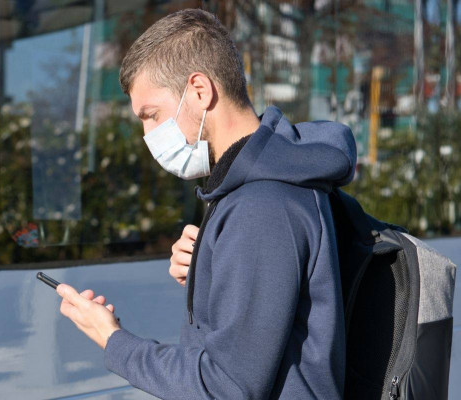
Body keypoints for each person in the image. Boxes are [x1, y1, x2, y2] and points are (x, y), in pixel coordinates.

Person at [55, 8, 354, 399]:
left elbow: (226, 385)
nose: (148, 135)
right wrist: (211, 268)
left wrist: (112, 340)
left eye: (152, 115)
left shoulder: (262, 205)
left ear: (200, 90)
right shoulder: (251, 189)